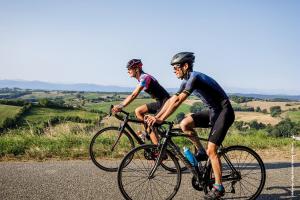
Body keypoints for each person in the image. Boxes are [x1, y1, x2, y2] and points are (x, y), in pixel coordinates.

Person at [145, 52, 235, 199]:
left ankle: (219, 187)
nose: (174, 70)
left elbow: (179, 101)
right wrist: (157, 116)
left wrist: (161, 119)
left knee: (212, 150)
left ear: (185, 66)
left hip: (224, 112)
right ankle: (200, 152)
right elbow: (171, 100)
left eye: (176, 67)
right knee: (185, 123)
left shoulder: (195, 78)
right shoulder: (185, 81)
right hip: (213, 112)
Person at [112, 59, 170, 144]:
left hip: (165, 102)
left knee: (150, 124)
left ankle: (158, 151)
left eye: (129, 69)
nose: (128, 71)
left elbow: (133, 95)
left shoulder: (144, 78)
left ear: (136, 69)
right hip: (160, 101)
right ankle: (147, 133)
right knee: (138, 111)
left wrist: (121, 105)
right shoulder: (142, 78)